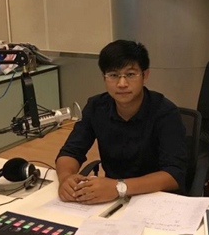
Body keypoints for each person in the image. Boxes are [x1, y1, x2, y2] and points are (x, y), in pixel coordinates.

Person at [56, 39, 188, 204]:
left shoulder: (165, 112)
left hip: (157, 198)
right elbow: (70, 152)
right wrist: (65, 178)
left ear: (145, 75)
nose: (122, 84)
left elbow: (174, 175)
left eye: (130, 75)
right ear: (104, 77)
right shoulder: (96, 107)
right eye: (113, 75)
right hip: (112, 198)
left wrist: (119, 187)